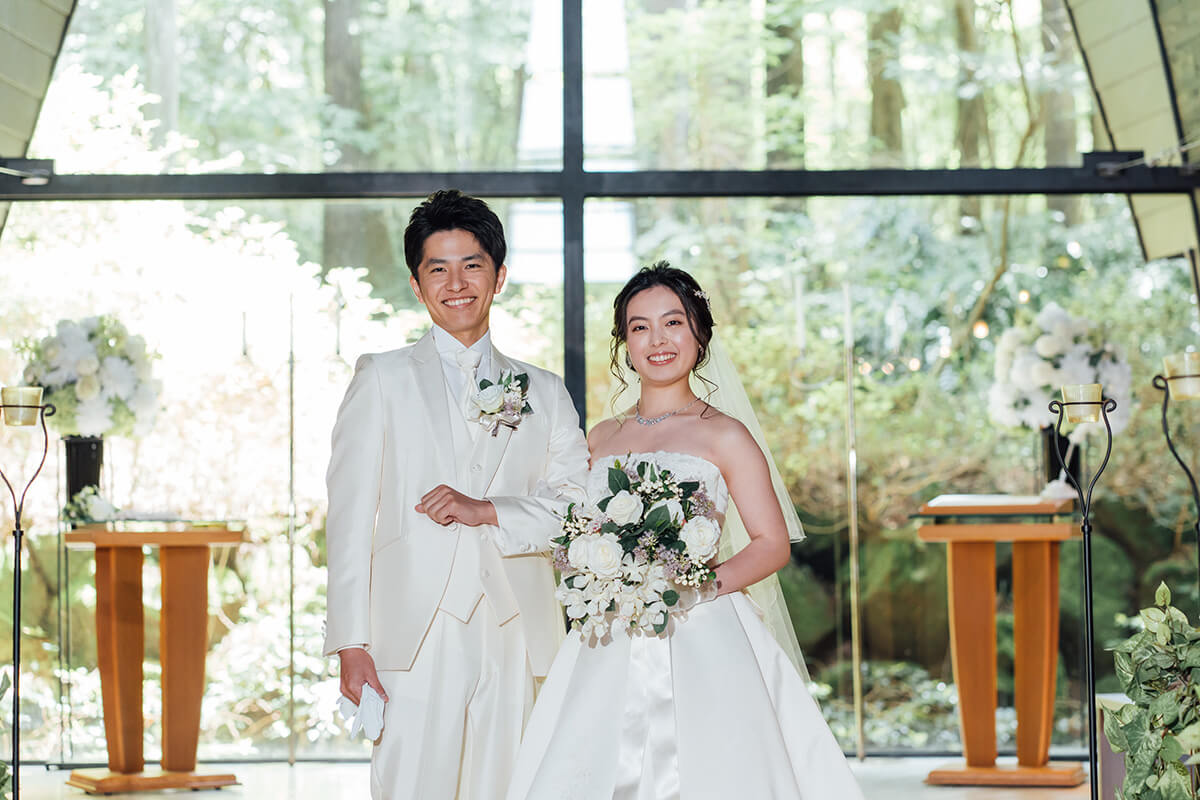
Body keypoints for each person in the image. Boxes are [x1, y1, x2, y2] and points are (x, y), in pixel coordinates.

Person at [507, 262, 865, 799]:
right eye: (640, 327)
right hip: (609, 629)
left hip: (702, 627)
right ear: (625, 344)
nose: (658, 340)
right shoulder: (600, 437)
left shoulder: (725, 435)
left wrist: (697, 587)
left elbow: (770, 544)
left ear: (699, 333)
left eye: (673, 323)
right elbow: (574, 526)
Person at [323, 189, 590, 800]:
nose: (456, 283)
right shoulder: (381, 377)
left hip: (519, 628)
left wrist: (490, 510)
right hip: (411, 633)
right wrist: (350, 643)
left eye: (472, 265)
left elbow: (577, 508)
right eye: (437, 269)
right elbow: (349, 520)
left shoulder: (545, 391)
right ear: (417, 285)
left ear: (499, 276)